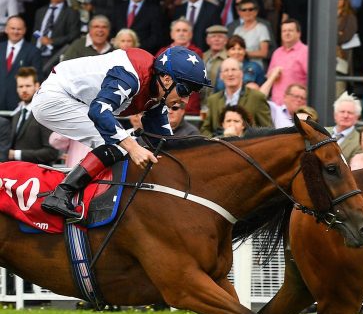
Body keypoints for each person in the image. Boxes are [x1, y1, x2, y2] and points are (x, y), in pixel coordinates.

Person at [33, 45, 211, 219]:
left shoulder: (158, 92)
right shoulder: (130, 76)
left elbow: (166, 145)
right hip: (55, 97)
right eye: (184, 90)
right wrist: (133, 148)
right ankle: (61, 194)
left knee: (123, 143)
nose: (186, 101)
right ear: (166, 78)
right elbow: (99, 111)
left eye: (191, 93)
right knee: (119, 144)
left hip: (77, 99)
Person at [201, 57, 272, 137]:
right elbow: (205, 130)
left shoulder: (257, 97)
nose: (230, 74)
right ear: (221, 76)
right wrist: (217, 141)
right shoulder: (213, 100)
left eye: (234, 69)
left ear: (241, 73)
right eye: (226, 70)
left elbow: (268, 130)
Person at [7, 66, 58, 164]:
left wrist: (15, 154)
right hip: (17, 173)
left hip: (37, 174)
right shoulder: (17, 115)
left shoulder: (44, 113)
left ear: (37, 86)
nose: (24, 90)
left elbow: (51, 153)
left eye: (28, 86)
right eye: (21, 86)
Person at [0, 15, 43, 110]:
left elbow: (37, 79)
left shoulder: (33, 51)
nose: (15, 32)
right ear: (6, 29)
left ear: (24, 30)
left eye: (19, 29)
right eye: (12, 28)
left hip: (20, 106)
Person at [263, 19, 308, 107]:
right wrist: (273, 74)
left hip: (297, 106)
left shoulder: (305, 51)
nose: (287, 33)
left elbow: (312, 80)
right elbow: (269, 76)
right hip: (276, 105)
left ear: (299, 33)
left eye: (290, 30)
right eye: (284, 31)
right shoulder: (277, 52)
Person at [328, 93, 363, 161]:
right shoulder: (321, 132)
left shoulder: (360, 141)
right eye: (342, 112)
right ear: (335, 115)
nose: (345, 116)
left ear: (357, 117)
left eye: (350, 113)